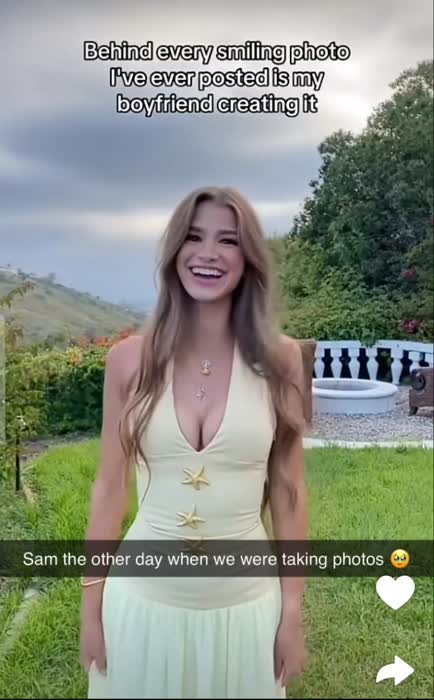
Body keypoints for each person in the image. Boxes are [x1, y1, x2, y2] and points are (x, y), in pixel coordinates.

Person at [80, 185, 308, 699]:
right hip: (140, 607)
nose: (208, 253)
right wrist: (91, 608)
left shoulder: (282, 361)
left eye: (228, 240)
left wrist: (292, 610)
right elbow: (110, 488)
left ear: (248, 258)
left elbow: (289, 492)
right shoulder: (128, 361)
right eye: (193, 236)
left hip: (246, 612)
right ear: (174, 252)